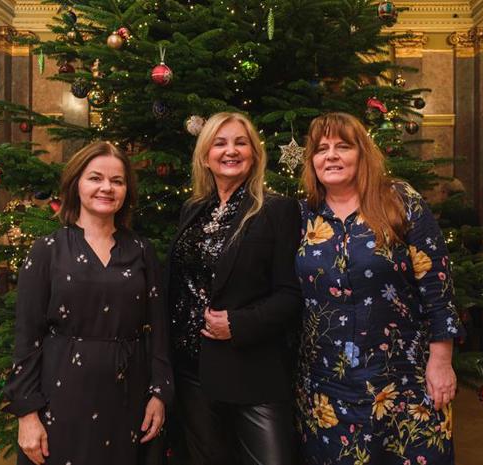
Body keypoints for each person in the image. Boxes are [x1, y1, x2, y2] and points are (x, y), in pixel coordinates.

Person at [295, 113, 465, 465]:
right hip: (326, 387)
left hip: (405, 379)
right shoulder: (302, 214)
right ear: (312, 160)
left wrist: (441, 361)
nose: (331, 156)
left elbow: (437, 284)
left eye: (343, 146)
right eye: (321, 149)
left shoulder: (400, 200)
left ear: (362, 153)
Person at [3, 141, 173, 465]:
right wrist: (27, 414)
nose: (106, 187)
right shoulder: (47, 250)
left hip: (130, 399)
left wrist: (159, 394)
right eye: (96, 178)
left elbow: (159, 330)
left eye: (117, 181)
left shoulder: (142, 250)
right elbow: (27, 338)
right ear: (76, 184)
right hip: (61, 398)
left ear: (126, 191)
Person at [167, 112, 302, 465]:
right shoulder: (193, 209)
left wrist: (238, 324)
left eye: (241, 143)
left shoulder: (277, 210)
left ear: (254, 154)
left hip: (252, 372)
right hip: (191, 371)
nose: (231, 151)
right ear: (205, 156)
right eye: (220, 143)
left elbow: (292, 294)